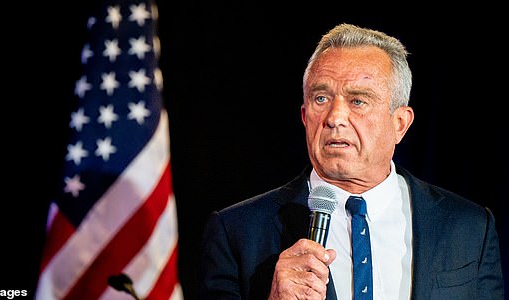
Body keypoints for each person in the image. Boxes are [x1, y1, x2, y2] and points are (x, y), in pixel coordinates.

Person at [196, 23, 505, 299]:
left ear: (400, 123)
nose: (334, 118)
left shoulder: (469, 228)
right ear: (305, 117)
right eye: (321, 98)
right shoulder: (236, 232)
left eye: (358, 100)